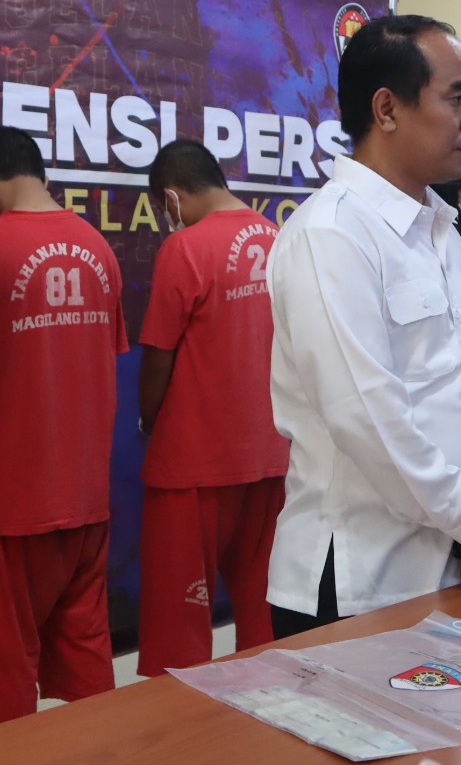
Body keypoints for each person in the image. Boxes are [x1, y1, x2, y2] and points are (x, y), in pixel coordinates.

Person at [264, 15, 461, 638]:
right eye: (456, 98)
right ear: (386, 109)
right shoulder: (332, 233)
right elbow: (366, 416)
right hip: (367, 580)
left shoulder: (439, 227)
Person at [0, 125, 127, 727]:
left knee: (1, 685)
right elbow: (103, 360)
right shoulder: (98, 248)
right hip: (86, 499)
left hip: (7, 503)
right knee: (86, 670)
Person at [135, 140, 288, 676]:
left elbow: (158, 356)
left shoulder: (184, 248)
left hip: (194, 463)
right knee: (266, 612)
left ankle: (182, 727)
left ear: (172, 197)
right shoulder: (279, 238)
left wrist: (149, 419)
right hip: (273, 455)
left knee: (179, 631)